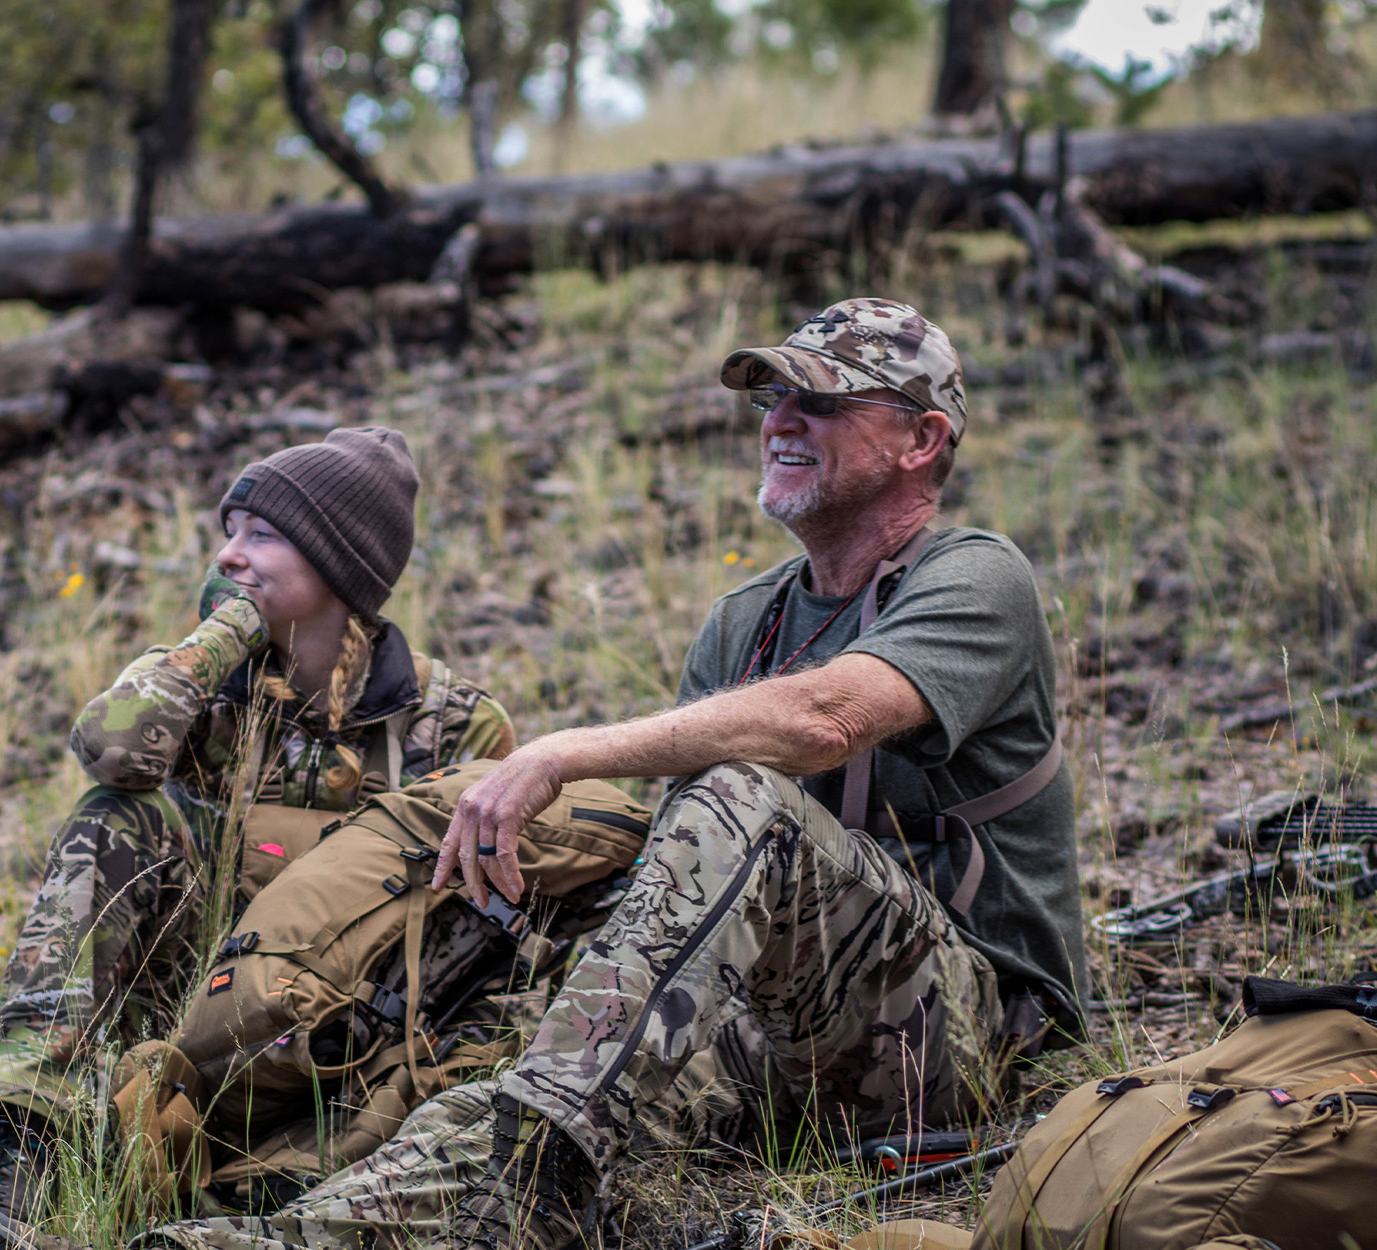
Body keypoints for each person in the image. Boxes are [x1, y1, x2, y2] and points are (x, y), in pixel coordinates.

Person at [134, 297, 1087, 1250]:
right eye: (772, 400)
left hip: (958, 1034)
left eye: (824, 403)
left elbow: (824, 720)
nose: (782, 422)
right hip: (772, 1039)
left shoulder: (975, 576)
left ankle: (538, 1166)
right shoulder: (744, 620)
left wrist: (558, 752)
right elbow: (684, 884)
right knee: (503, 1087)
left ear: (923, 439)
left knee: (741, 794)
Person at [0, 428, 517, 1249]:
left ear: (341, 566)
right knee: (121, 816)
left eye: (264, 536)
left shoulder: (453, 724)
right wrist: (223, 638)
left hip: (341, 1035)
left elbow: (484, 924)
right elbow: (109, 745)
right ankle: (15, 1153)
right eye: (230, 531)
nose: (230, 554)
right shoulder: (198, 688)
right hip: (183, 1014)